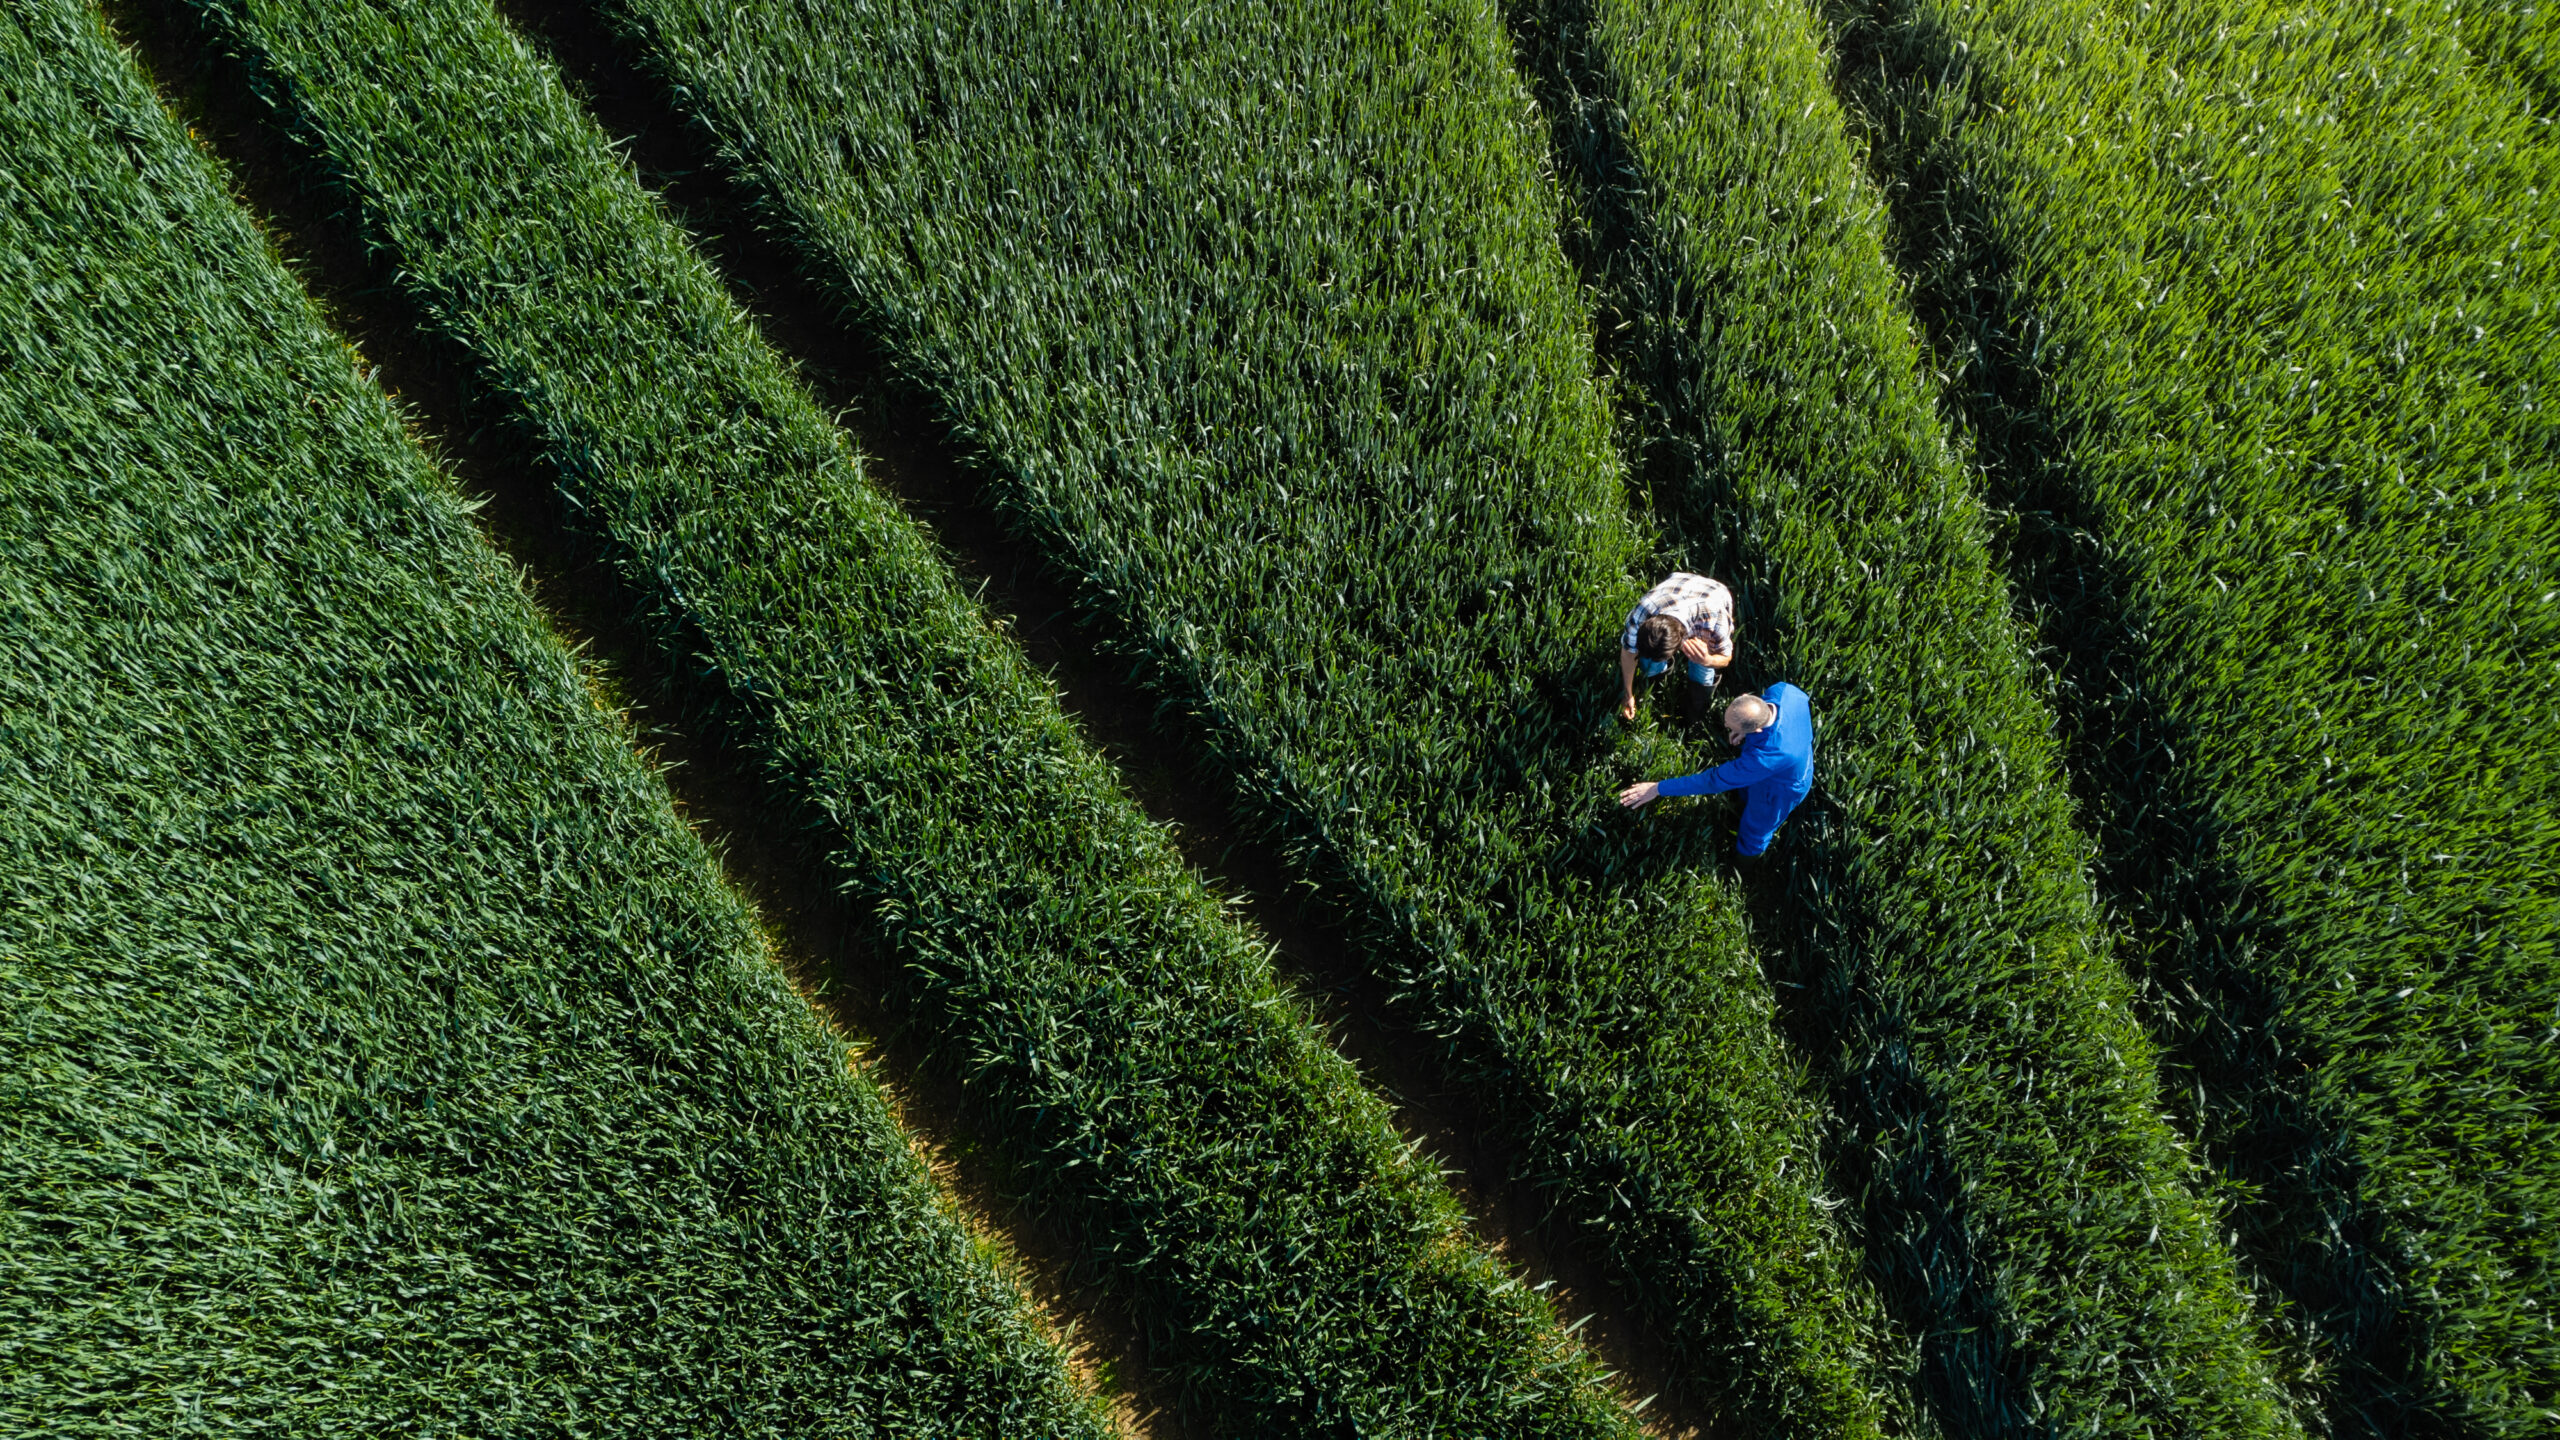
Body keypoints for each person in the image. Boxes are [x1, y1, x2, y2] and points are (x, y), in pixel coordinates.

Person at [1617, 685, 1813, 857]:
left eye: (1731, 726)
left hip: (1782, 787)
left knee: (1756, 828)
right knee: (1744, 793)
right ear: (1746, 696)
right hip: (1788, 755)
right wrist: (1743, 730)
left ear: (1758, 731)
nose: (1727, 727)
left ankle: (1744, 866)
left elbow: (1712, 781)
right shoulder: (1785, 692)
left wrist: (1657, 788)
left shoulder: (1763, 758)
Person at [1618, 572, 1736, 723]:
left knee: (1702, 670)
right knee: (1649, 663)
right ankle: (1655, 682)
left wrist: (1708, 659)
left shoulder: (1713, 621)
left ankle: (1694, 712)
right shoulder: (1644, 612)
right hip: (1678, 584)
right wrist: (1628, 693)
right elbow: (1628, 651)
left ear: (1679, 645)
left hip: (1714, 593)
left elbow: (1726, 657)